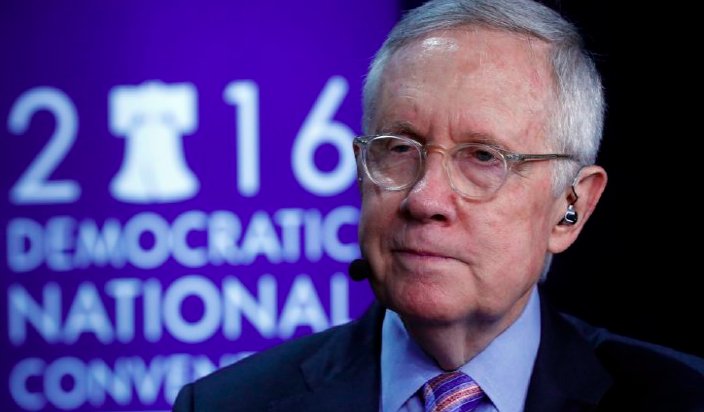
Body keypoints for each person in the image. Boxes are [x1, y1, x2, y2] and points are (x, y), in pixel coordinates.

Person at [173, 0, 704, 410]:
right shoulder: (224, 405)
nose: (424, 199)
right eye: (399, 149)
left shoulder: (681, 397)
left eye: (483, 157)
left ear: (571, 206)